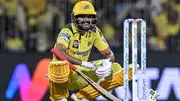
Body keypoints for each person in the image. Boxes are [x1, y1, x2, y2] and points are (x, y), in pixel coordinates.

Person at [48, 1, 133, 101]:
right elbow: (59, 53)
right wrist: (83, 63)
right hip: (64, 77)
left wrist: (107, 62)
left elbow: (109, 54)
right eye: (82, 17)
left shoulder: (94, 31)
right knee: (59, 64)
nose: (86, 20)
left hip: (81, 74)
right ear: (74, 18)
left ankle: (82, 97)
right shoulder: (68, 30)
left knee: (115, 67)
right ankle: (59, 98)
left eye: (89, 17)